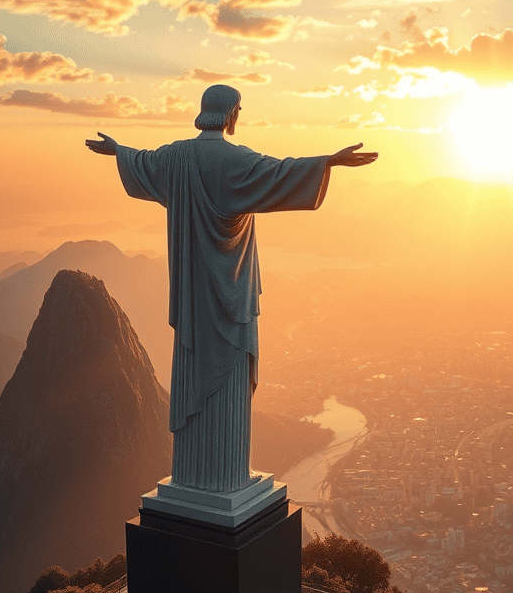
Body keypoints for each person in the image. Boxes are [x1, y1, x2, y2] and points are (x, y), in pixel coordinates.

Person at [85, 84, 377, 493]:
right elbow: (282, 172)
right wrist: (329, 161)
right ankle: (225, 478)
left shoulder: (176, 156)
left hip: (192, 301)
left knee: (194, 365)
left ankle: (193, 476)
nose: (240, 114)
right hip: (232, 298)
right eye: (239, 108)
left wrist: (119, 151)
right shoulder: (236, 161)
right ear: (229, 113)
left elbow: (144, 163)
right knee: (230, 382)